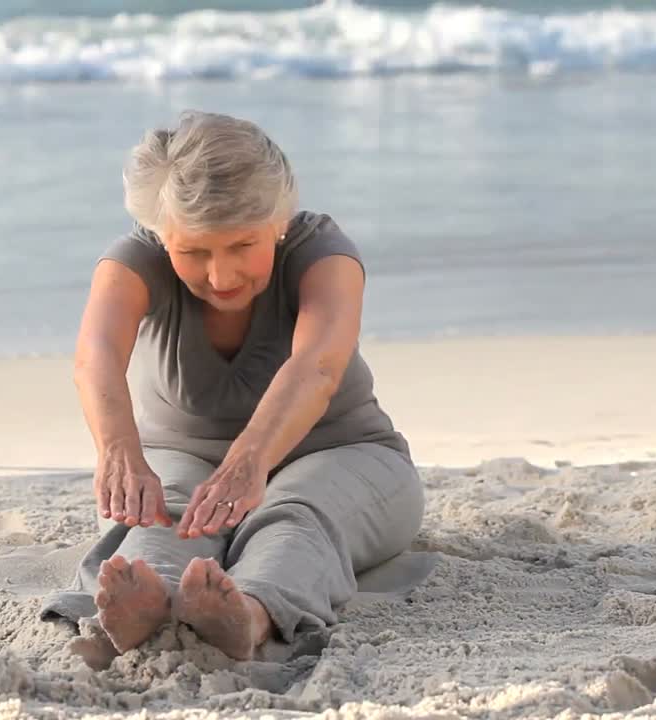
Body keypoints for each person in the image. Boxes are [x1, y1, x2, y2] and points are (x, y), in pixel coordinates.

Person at [40, 110, 425, 664]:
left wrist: (248, 462)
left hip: (343, 454)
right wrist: (120, 451)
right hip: (183, 461)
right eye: (193, 252)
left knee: (293, 512)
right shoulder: (135, 259)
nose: (220, 277)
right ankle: (143, 606)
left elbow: (318, 365)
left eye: (243, 246)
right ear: (161, 234)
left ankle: (249, 614)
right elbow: (95, 358)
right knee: (161, 515)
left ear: (279, 221)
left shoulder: (323, 253)